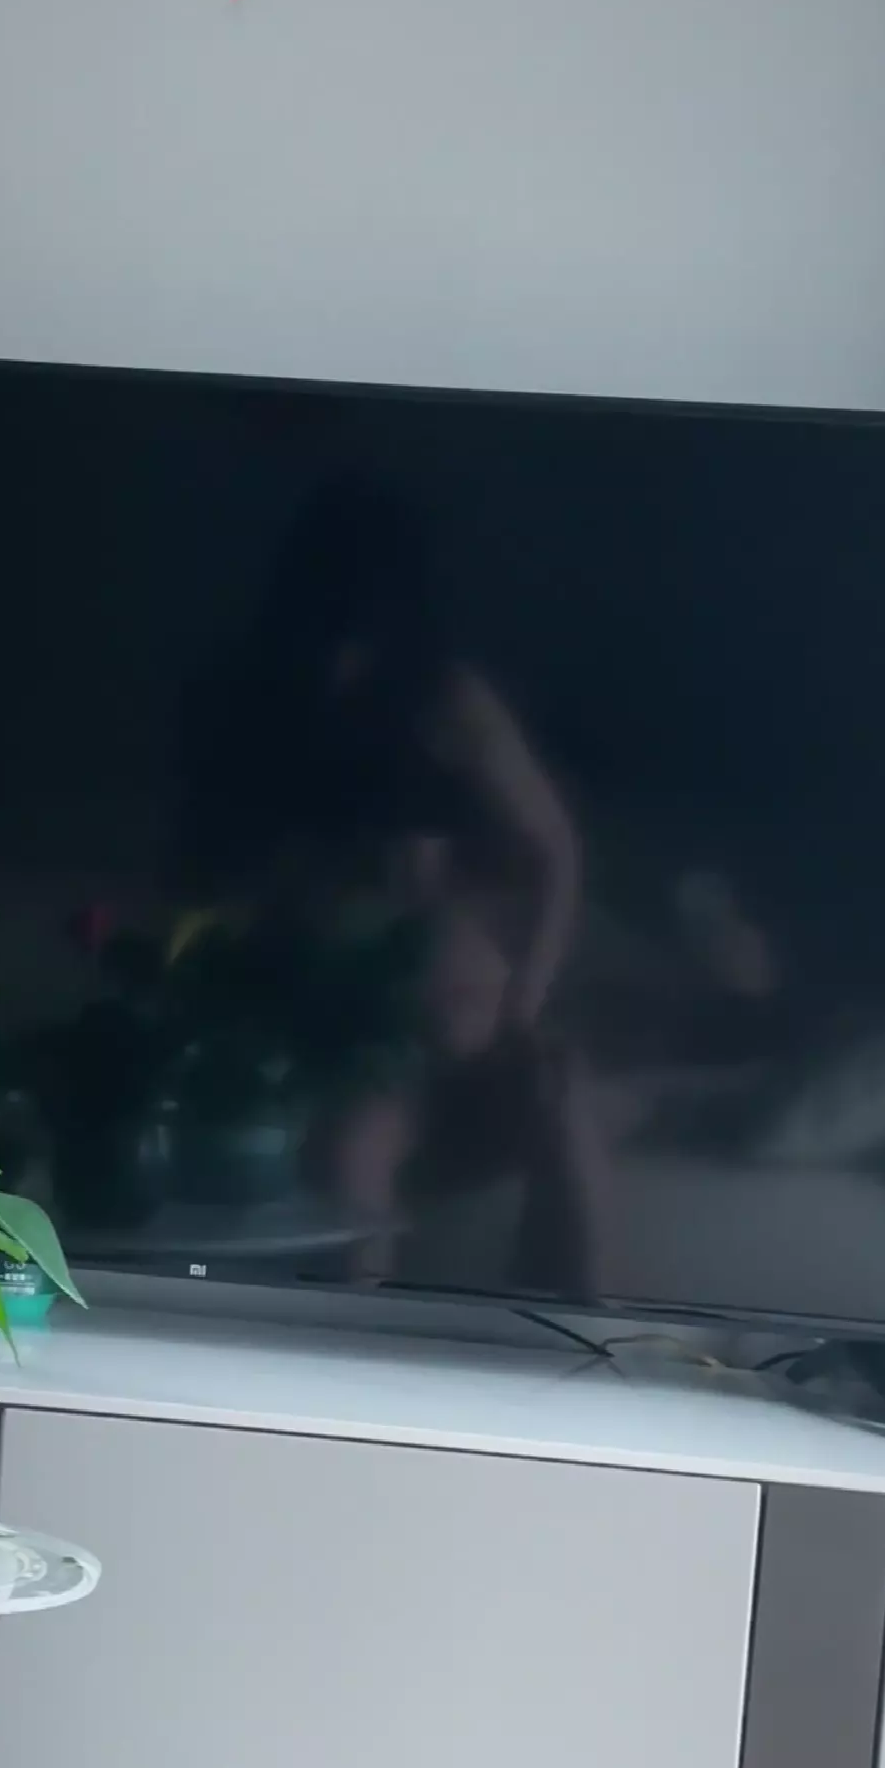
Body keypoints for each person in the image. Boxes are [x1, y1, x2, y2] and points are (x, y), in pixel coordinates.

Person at [174, 476, 607, 1294]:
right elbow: (215, 893)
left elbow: (557, 853)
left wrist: (525, 1005)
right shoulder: (257, 711)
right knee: (352, 1153)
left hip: (481, 1033)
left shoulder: (448, 701)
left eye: (361, 635)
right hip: (360, 1047)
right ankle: (354, 1337)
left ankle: (574, 1335)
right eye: (327, 631)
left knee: (562, 1093)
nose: (342, 658)